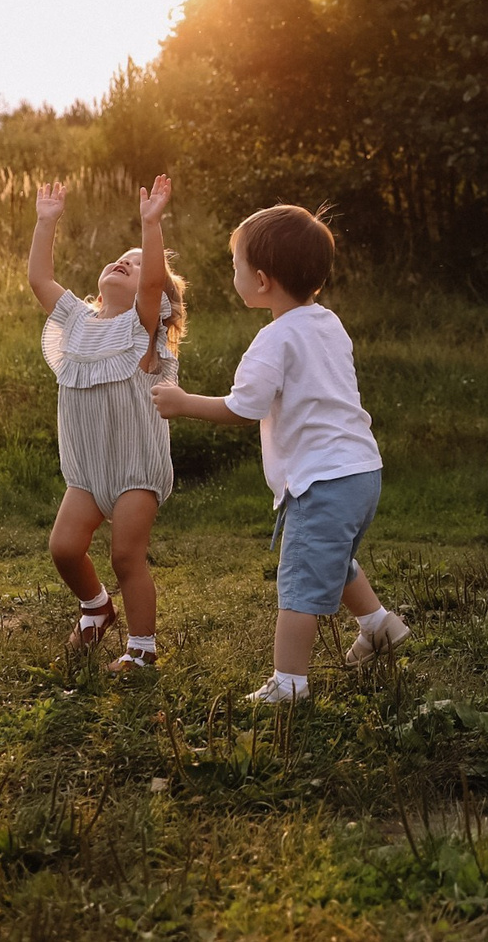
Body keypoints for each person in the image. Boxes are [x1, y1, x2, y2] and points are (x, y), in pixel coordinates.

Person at [151, 204, 408, 702]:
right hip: (361, 472)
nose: (233, 273)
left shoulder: (273, 339)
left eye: (236, 265)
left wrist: (183, 404)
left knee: (300, 583)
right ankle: (379, 626)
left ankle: (289, 684)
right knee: (331, 558)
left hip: (323, 479)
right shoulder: (328, 322)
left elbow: (244, 408)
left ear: (262, 280)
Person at [26, 174, 183, 674]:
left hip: (137, 465)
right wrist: (45, 222)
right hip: (88, 469)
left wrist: (150, 225)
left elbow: (155, 282)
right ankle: (96, 608)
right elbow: (39, 280)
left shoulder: (141, 328)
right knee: (65, 548)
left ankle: (142, 649)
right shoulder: (76, 323)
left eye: (137, 265)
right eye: (123, 257)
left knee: (124, 557)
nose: (128, 262)